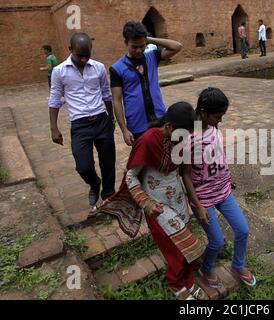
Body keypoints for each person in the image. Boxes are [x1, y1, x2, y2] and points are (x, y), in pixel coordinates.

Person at [98, 102, 207, 300]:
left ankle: (188, 280)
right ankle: (176, 284)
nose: (186, 139)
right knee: (177, 248)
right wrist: (146, 203)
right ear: (169, 127)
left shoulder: (182, 140)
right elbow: (131, 176)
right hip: (157, 205)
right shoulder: (147, 140)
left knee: (185, 248)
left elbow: (184, 173)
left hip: (178, 201)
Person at [181, 87, 256, 289]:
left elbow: (217, 155)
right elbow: (185, 174)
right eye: (217, 116)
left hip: (223, 191)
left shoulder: (213, 127)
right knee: (217, 242)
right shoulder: (188, 138)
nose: (220, 121)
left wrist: (226, 176)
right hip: (203, 199)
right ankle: (206, 268)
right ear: (203, 112)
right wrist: (198, 206)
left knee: (242, 230)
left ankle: (237, 266)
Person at [48, 33, 116, 208]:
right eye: (80, 55)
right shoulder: (59, 71)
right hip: (80, 124)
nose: (84, 59)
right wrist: (54, 128)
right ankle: (94, 183)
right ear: (70, 50)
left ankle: (108, 193)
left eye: (88, 54)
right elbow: (55, 99)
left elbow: (107, 94)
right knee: (83, 166)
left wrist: (111, 118)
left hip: (101, 119)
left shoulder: (99, 68)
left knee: (108, 161)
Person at [110, 21, 183, 146]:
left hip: (160, 118)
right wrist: (124, 130)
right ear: (126, 43)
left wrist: (148, 39)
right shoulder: (117, 68)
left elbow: (177, 46)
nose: (139, 50)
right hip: (137, 124)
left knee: (165, 154)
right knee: (143, 160)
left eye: (142, 46)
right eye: (134, 46)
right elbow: (116, 100)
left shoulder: (152, 57)